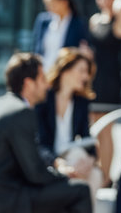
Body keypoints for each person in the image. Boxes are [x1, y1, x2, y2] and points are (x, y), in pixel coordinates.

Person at [0, 53, 92, 213]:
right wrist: (64, 175)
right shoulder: (21, 112)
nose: (47, 85)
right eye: (42, 79)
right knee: (80, 190)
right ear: (28, 83)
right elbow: (36, 174)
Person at [35, 47, 103, 207]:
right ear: (65, 70)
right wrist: (57, 163)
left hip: (71, 157)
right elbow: (39, 142)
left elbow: (87, 140)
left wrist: (91, 159)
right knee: (83, 172)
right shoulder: (44, 100)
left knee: (94, 173)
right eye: (82, 71)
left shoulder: (80, 103)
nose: (86, 77)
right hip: (50, 159)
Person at [88, 0, 121, 186]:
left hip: (109, 80)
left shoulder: (119, 21)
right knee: (93, 129)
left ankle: (106, 178)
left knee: (106, 129)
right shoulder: (95, 20)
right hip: (91, 81)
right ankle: (97, 172)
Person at [33, 0, 89, 72]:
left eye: (52, 3)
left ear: (64, 2)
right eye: (47, 4)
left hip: (65, 74)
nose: (48, 8)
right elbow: (36, 48)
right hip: (43, 73)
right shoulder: (43, 21)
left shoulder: (79, 24)